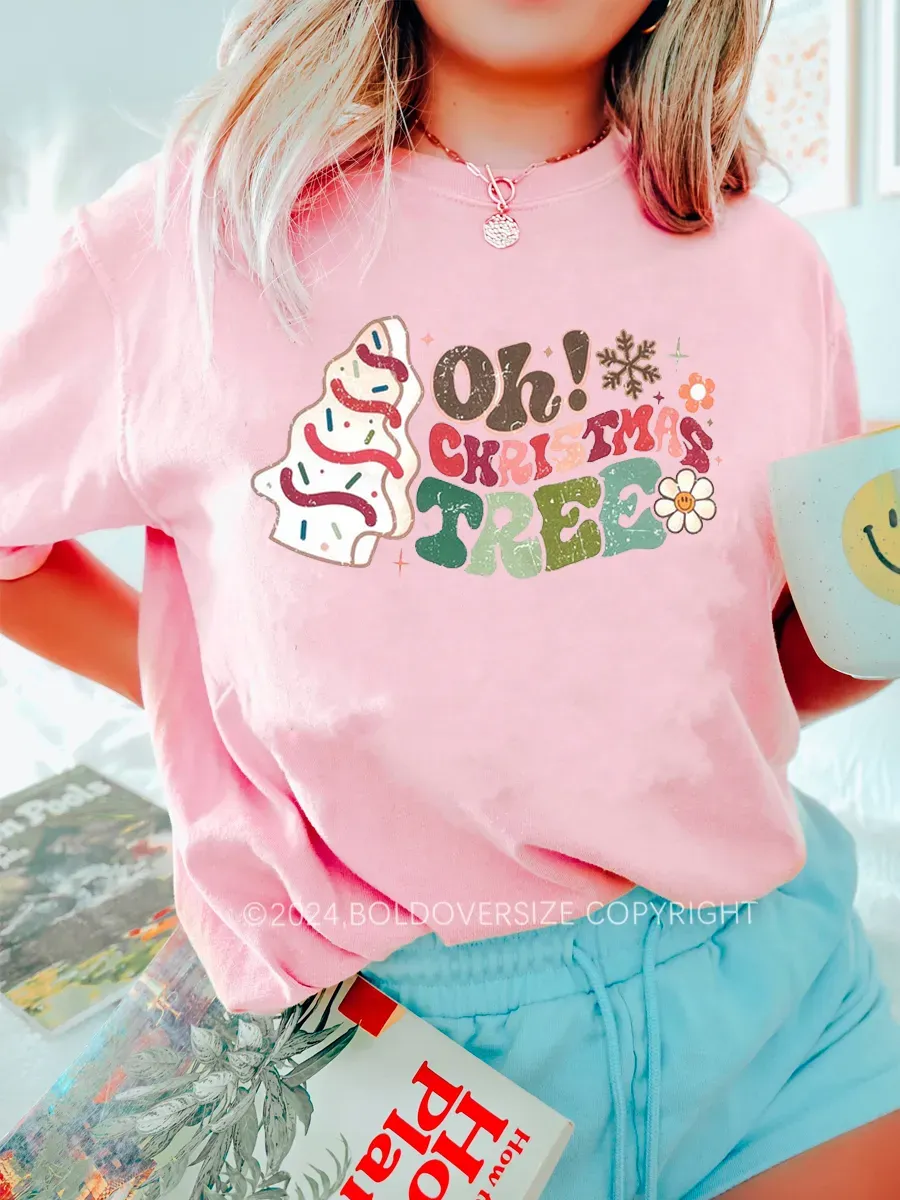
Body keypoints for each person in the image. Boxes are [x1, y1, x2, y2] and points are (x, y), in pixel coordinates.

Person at [1, 0, 899, 1194]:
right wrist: (196, 696)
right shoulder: (194, 238)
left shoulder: (773, 268)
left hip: (771, 995)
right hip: (397, 1037)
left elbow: (758, 672)